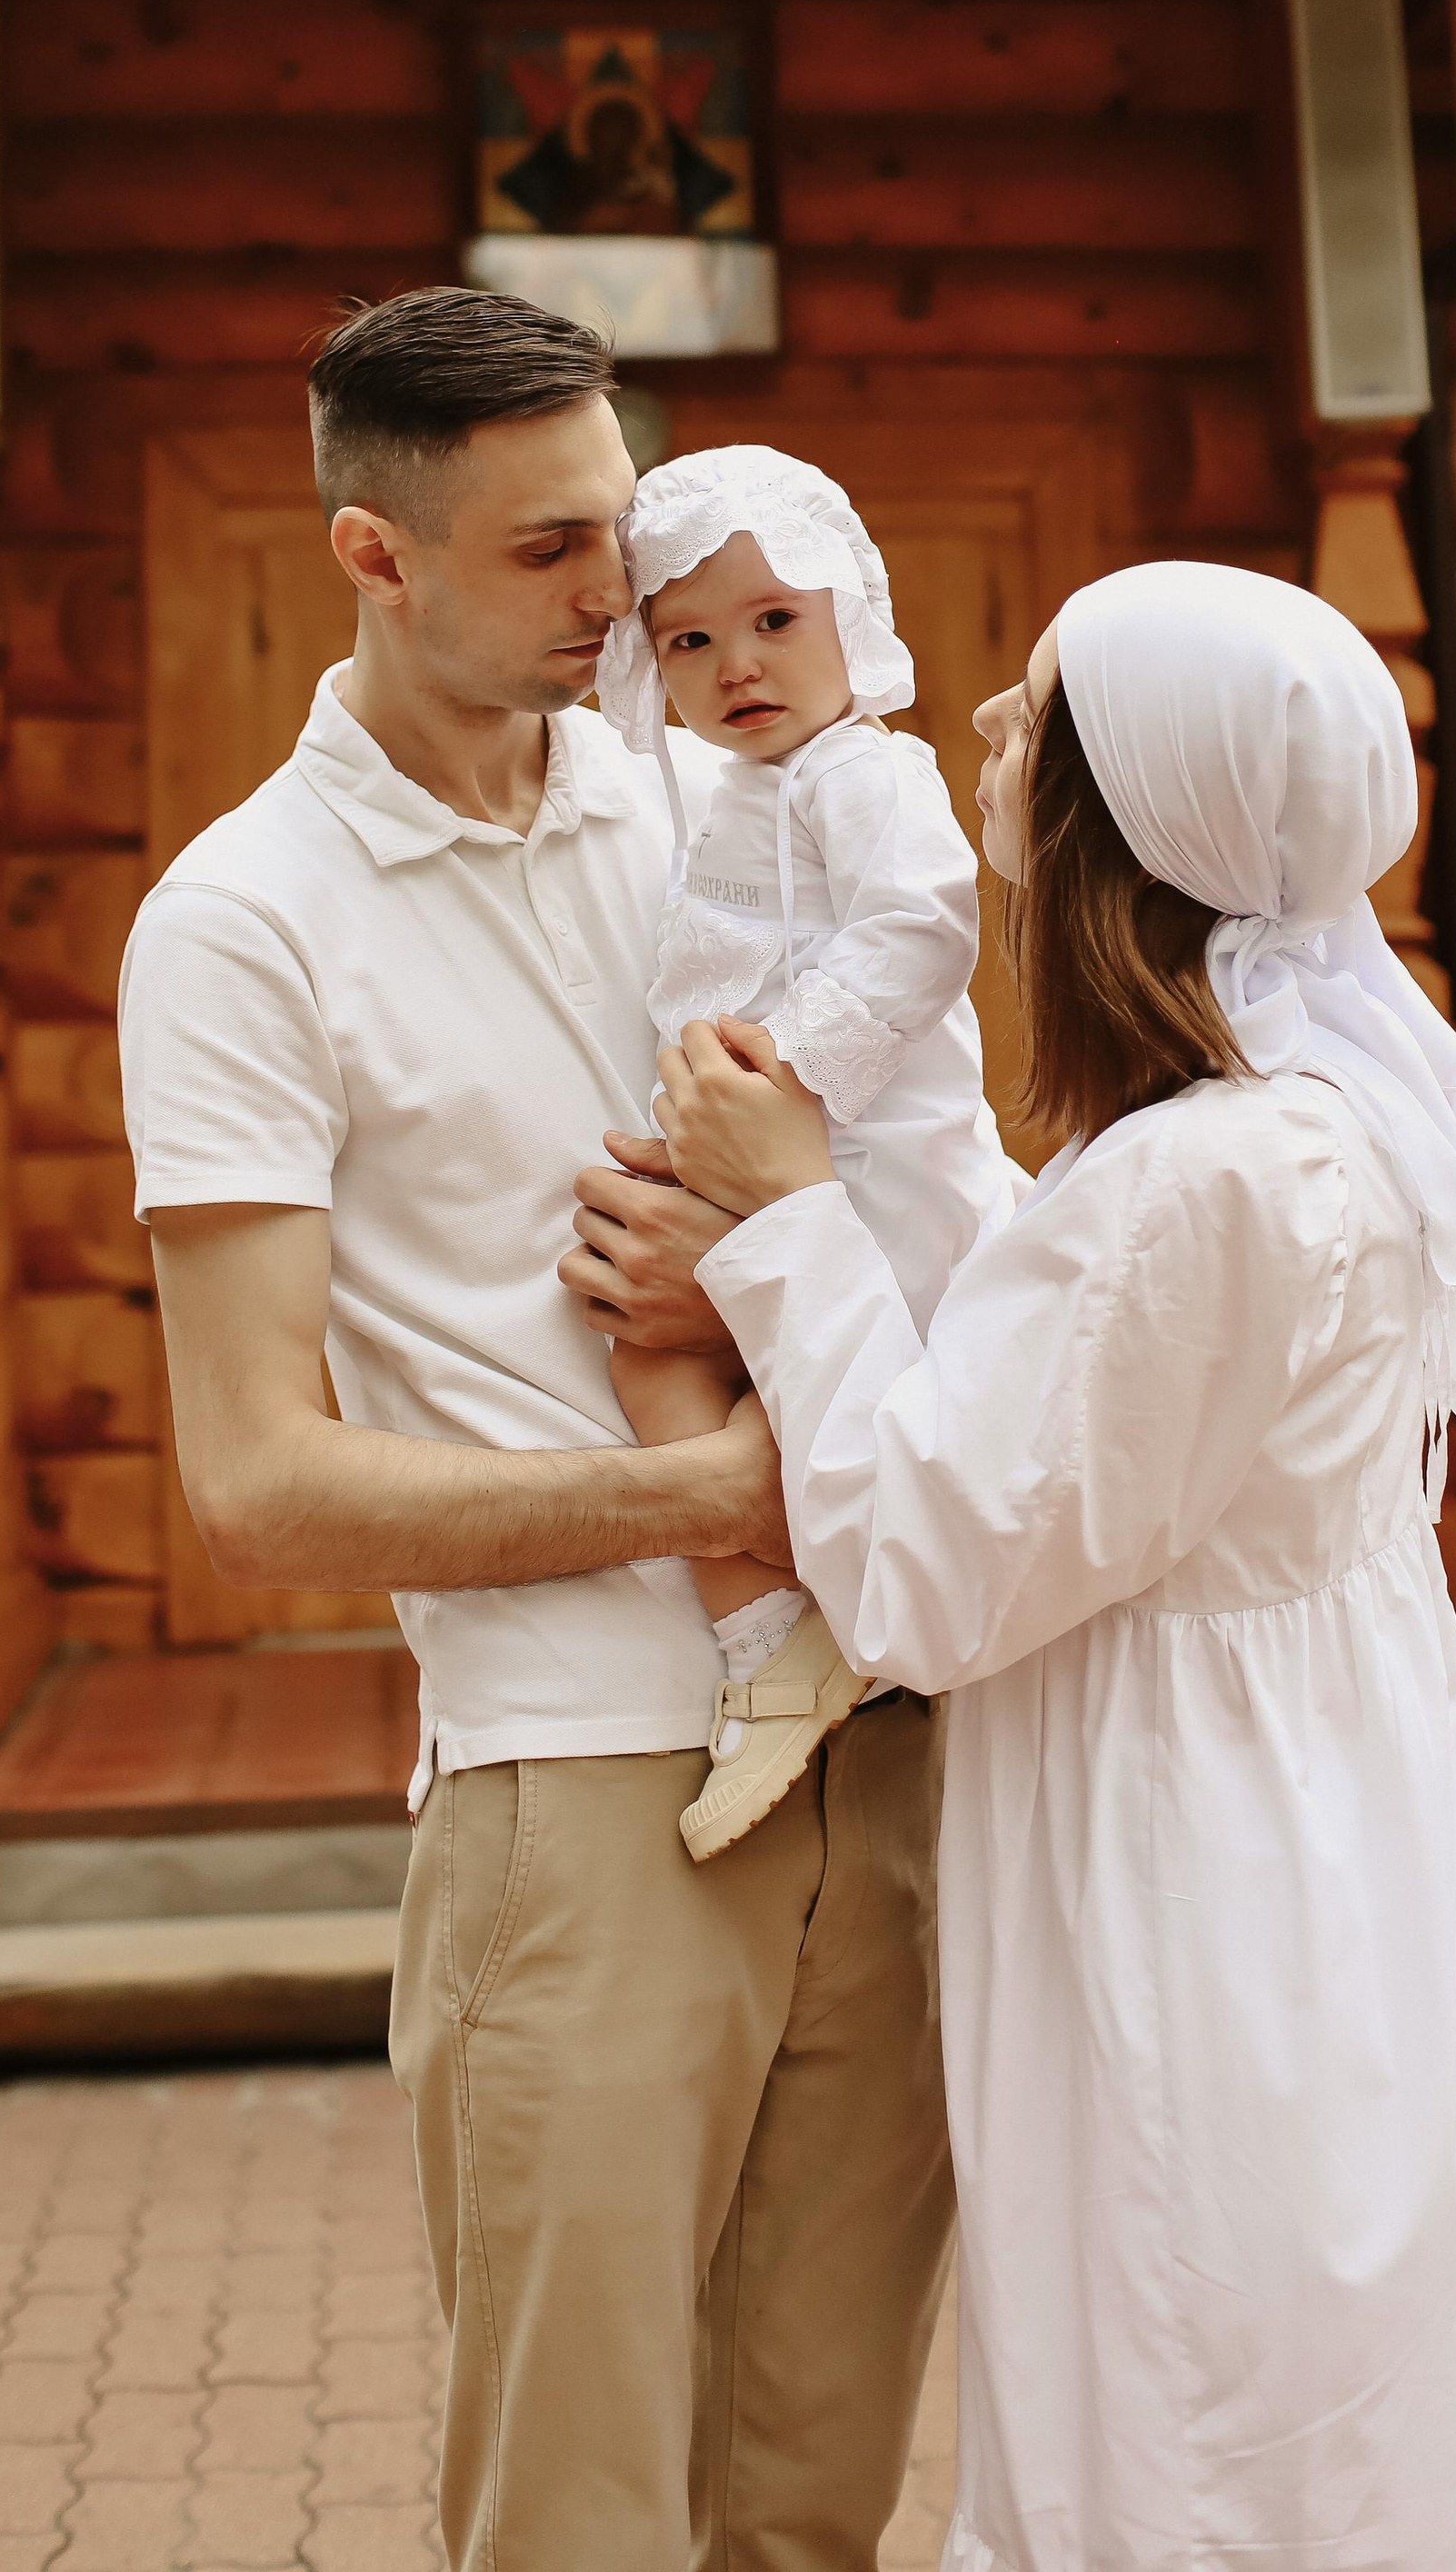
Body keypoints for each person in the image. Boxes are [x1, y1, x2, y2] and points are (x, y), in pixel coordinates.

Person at [655, 559, 1456, 2572]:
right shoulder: (1306, 1122)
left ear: (1126, 815)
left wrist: (781, 1227)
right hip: (1320, 1847)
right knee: (1339, 2392)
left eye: (1033, 714)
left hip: (1196, 1891)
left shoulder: (1206, 1178)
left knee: (1203, 2405)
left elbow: (935, 1560)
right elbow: (1093, 1392)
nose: (983, 736)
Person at [116, 285, 952, 2572]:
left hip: (885, 1738)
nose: (630, 596)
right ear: (372, 557)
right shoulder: (237, 925)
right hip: (581, 1796)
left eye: (631, 533)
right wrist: (709, 1487)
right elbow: (259, 1486)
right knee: (576, 2523)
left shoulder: (729, 775)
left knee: (811, 2502)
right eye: (556, 552)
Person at [593, 444, 1008, 1858]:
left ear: (854, 612)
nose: (738, 667)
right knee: (641, 1339)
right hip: (750, 1153)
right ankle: (774, 1624)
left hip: (866, 1157)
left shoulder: (868, 773)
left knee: (815, 1384)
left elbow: (924, 928)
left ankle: (817, 1623)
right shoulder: (719, 805)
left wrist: (787, 1070)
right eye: (690, 642)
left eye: (776, 621)